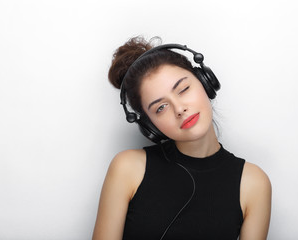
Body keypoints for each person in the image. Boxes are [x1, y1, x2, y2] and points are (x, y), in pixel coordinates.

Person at [92, 36, 272, 240]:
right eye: (160, 107)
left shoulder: (254, 183)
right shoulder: (127, 168)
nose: (179, 109)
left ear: (206, 82)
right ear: (150, 125)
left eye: (184, 89)